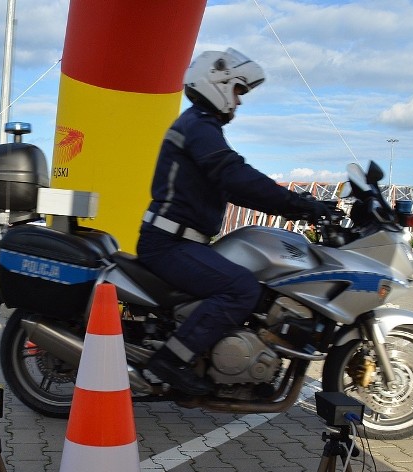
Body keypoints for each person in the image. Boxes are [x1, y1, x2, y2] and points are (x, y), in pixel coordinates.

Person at [137, 48, 332, 395]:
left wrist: (296, 208)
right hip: (168, 244)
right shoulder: (197, 125)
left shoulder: (200, 126)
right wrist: (301, 204)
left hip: (180, 241)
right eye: (239, 90)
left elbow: (236, 189)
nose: (239, 101)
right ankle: (171, 360)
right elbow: (234, 175)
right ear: (219, 82)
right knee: (240, 288)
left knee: (249, 283)